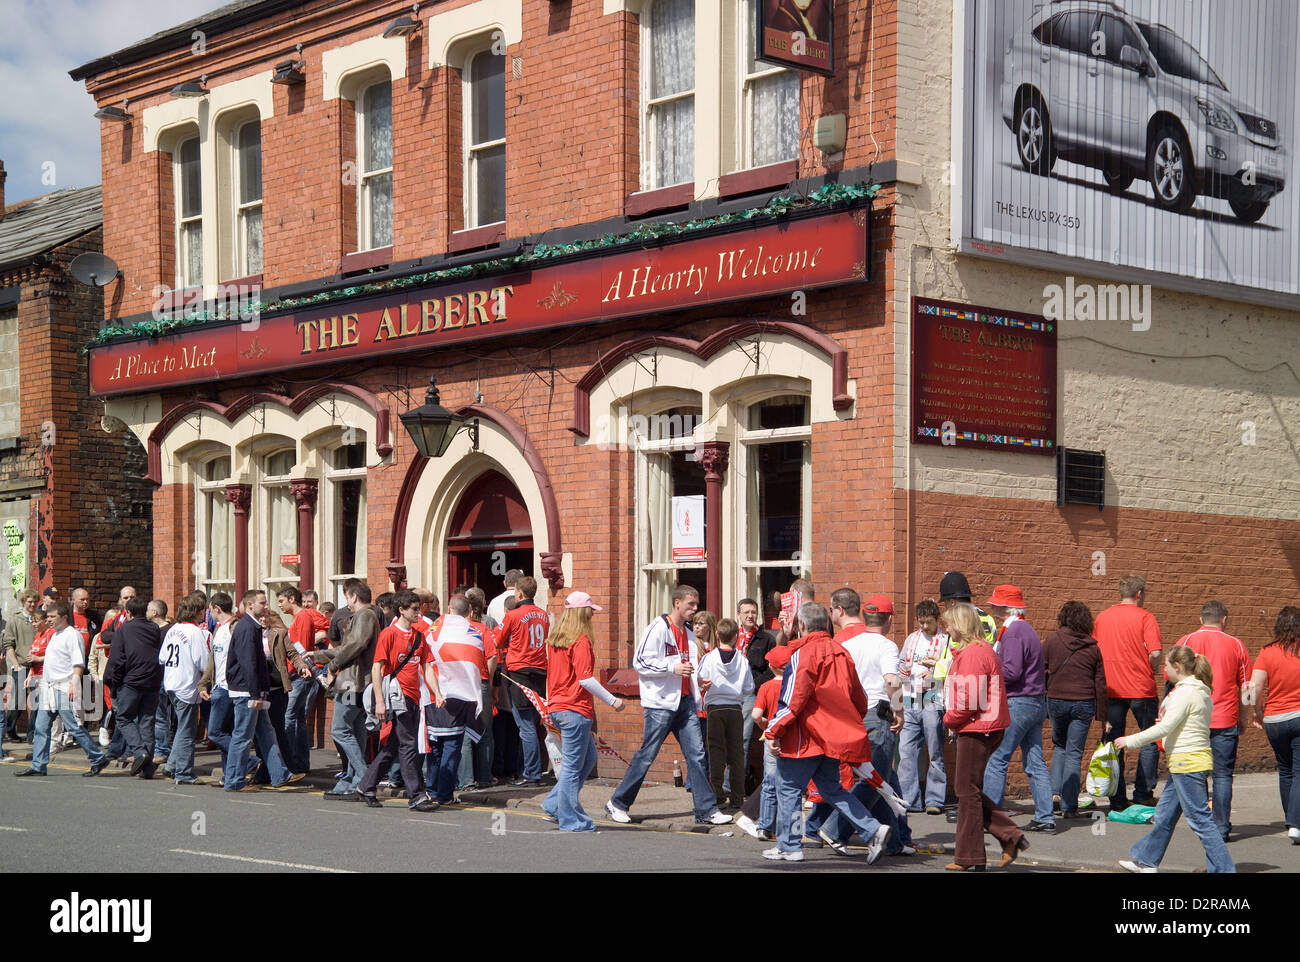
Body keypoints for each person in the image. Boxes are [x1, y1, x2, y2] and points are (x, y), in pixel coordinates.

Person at [762, 601, 891, 863]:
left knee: (787, 788)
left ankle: (790, 846)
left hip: (805, 737)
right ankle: (872, 829)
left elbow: (793, 699)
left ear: (801, 626)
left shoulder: (803, 654)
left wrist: (774, 730)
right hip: (832, 737)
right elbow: (860, 699)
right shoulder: (842, 653)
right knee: (833, 789)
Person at [606, 585, 731, 826]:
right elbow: (640, 662)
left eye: (696, 604)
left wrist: (697, 680)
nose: (695, 610)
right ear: (676, 603)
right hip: (660, 705)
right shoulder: (658, 628)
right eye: (690, 605)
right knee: (647, 756)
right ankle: (617, 803)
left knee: (697, 756)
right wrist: (671, 668)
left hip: (685, 704)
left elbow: (687, 667)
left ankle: (706, 809)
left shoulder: (689, 633)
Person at [1117, 646, 1234, 873]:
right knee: (1165, 815)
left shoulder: (1185, 692)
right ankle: (1146, 861)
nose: (1164, 669)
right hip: (1187, 761)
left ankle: (1223, 869)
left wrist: (1129, 741)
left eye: (1167, 666)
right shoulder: (1199, 691)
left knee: (1200, 820)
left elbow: (1165, 727)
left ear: (1178, 667)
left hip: (1186, 763)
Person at [823, 589, 913, 854]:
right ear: (889, 621)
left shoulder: (848, 645)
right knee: (875, 781)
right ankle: (833, 828)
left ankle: (895, 842)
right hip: (878, 715)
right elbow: (890, 681)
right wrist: (900, 711)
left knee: (881, 781)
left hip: (853, 717)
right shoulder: (887, 646)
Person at [942, 602, 1026, 871]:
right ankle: (1009, 838)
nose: (947, 628)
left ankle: (970, 857)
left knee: (966, 792)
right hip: (981, 726)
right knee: (970, 792)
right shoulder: (975, 651)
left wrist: (948, 719)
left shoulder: (974, 653)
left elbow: (970, 700)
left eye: (949, 623)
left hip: (977, 727)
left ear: (960, 625)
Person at [541, 591, 625, 830]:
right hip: (574, 710)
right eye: (590, 611)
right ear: (583, 613)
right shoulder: (580, 641)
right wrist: (613, 701)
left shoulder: (558, 639)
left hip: (559, 707)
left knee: (587, 759)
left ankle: (553, 804)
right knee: (571, 767)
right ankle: (571, 820)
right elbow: (585, 679)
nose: (593, 616)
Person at [357, 590, 441, 811]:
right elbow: (377, 668)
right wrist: (379, 701)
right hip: (397, 696)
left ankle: (366, 785)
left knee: (394, 745)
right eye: (414, 609)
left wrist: (438, 693)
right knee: (408, 745)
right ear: (401, 610)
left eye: (419, 608)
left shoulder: (419, 636)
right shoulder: (389, 634)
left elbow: (427, 666)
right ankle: (416, 796)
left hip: (414, 697)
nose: (418, 612)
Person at [1175, 601, 1251, 841]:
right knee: (1222, 775)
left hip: (1193, 719)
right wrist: (1244, 717)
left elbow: (1172, 679)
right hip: (1226, 718)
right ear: (1224, 620)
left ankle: (1201, 825)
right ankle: (1220, 828)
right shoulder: (1236, 645)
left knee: (1196, 773)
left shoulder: (1186, 642)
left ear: (1201, 619)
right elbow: (1246, 688)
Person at [981, 584, 1054, 833]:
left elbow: (1010, 671)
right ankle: (1045, 817)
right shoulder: (1025, 629)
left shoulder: (1012, 633)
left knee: (997, 759)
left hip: (1018, 702)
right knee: (1035, 763)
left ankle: (990, 819)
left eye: (995, 604)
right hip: (1034, 702)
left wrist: (987, 675)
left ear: (1004, 607)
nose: (991, 607)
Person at [1094, 574, 1163, 809]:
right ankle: (1143, 793)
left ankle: (1117, 798)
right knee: (1150, 738)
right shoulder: (1146, 617)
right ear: (1140, 594)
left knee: (1115, 742)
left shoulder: (1102, 618)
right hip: (1141, 687)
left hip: (1111, 689)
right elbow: (1155, 654)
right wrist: (1148, 666)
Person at [223, 591, 303, 792]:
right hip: (246, 693)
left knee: (267, 733)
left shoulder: (252, 627)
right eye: (262, 603)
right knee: (242, 737)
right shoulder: (247, 628)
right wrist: (254, 694)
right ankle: (234, 781)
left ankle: (279, 774)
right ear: (250, 605)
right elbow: (248, 664)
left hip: (252, 691)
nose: (266, 606)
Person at [17, 602, 109, 778]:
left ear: (64, 617)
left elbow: (78, 662)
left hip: (64, 687)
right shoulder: (55, 635)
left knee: (73, 727)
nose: (49, 620)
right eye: (48, 617)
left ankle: (97, 758)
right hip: (49, 687)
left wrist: (74, 682)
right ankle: (38, 765)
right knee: (41, 727)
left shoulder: (72, 635)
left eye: (52, 617)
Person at [1042, 601, 1109, 818]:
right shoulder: (1092, 647)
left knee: (1059, 747)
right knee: (1074, 753)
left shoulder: (1052, 641)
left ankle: (1053, 795)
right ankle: (1069, 806)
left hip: (1056, 700)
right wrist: (1103, 716)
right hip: (1083, 702)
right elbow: (1100, 682)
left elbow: (1041, 670)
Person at [314, 579, 380, 799]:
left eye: (347, 598)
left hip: (353, 682)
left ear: (353, 596)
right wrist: (317, 655)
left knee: (339, 730)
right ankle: (351, 780)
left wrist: (333, 665)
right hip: (358, 682)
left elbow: (356, 644)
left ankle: (362, 777)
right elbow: (347, 647)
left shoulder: (365, 615)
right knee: (356, 731)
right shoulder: (365, 616)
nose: (347, 603)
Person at [419, 595, 487, 805]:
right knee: (451, 747)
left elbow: (422, 662)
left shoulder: (430, 632)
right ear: (469, 612)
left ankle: (431, 789)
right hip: (459, 696)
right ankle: (445, 794)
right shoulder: (473, 633)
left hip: (433, 694)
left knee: (435, 747)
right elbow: (477, 665)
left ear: (448, 609)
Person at [1246, 606, 1300, 845]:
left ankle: (1290, 820)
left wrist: (1257, 711)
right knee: (1299, 771)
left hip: (1274, 719)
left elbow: (1253, 688)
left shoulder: (1267, 652)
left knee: (1285, 770)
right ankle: (1296, 824)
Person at [734, 645, 792, 840]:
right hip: (791, 739)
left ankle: (764, 826)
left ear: (770, 665)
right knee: (789, 785)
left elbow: (756, 714)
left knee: (769, 782)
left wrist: (764, 724)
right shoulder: (795, 685)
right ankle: (785, 828)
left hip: (771, 738)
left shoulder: (766, 687)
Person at [497, 575, 550, 787]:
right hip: (539, 671)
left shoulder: (513, 615)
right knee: (532, 723)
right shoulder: (544, 615)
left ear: (519, 593)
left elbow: (498, 640)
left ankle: (531, 773)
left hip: (519, 671)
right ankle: (529, 769)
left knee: (525, 725)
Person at [103, 598, 164, 778]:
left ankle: (139, 753)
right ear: (145, 611)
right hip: (152, 681)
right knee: (147, 721)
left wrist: (111, 681)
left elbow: (116, 660)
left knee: (123, 718)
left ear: (128, 613)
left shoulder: (123, 630)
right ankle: (147, 768)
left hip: (131, 682)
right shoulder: (154, 629)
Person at [897, 599, 948, 814]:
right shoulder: (912, 639)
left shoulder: (945, 641)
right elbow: (901, 663)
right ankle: (909, 799)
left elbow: (952, 668)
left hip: (932, 696)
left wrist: (935, 669)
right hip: (910, 696)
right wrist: (903, 671)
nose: (924, 627)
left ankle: (935, 800)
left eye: (928, 623)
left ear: (937, 620)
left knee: (935, 749)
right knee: (906, 750)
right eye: (921, 622)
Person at [699, 617, 754, 810]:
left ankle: (717, 794)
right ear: (736, 637)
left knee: (716, 752)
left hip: (714, 707)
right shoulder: (742, 660)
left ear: (716, 634)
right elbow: (749, 688)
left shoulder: (709, 658)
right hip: (735, 708)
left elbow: (700, 680)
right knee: (737, 754)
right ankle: (737, 797)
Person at [159, 594, 212, 785]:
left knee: (182, 727)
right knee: (186, 731)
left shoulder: (174, 629)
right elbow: (203, 662)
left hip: (171, 682)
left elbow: (163, 657)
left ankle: (172, 766)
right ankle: (183, 772)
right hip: (186, 685)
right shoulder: (194, 632)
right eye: (203, 610)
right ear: (197, 611)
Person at [276, 586, 322, 774]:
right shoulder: (298, 618)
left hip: (298, 676)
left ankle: (289, 762)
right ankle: (301, 762)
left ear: (291, 599)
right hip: (298, 675)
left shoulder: (302, 617)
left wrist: (295, 670)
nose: (279, 605)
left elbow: (300, 649)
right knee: (299, 720)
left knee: (289, 718)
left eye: (281, 601)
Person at [457, 587, 498, 789]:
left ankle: (465, 781)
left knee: (464, 733)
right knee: (484, 731)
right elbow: (492, 657)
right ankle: (484, 777)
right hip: (479, 684)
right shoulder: (483, 630)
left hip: (459, 685)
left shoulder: (454, 630)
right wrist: (488, 681)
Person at [198, 593, 242, 779]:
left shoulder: (235, 627)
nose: (209, 614)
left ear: (217, 608)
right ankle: (229, 774)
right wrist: (203, 684)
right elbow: (213, 662)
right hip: (219, 687)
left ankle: (247, 760)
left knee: (215, 733)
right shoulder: (218, 630)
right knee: (224, 732)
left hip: (229, 688)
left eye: (210, 610)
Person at [737, 596, 778, 787]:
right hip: (729, 694)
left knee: (742, 738)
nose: (750, 616)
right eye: (746, 612)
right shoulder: (732, 637)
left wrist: (754, 685)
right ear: (739, 615)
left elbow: (772, 668)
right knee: (725, 739)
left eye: (753, 612)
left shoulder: (766, 639)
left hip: (750, 694)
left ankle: (736, 785)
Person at [1, 588, 40, 752]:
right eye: (29, 601)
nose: (32, 604)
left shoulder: (39, 619)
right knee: (18, 701)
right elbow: (8, 644)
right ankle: (10, 729)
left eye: (34, 602)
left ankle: (32, 734)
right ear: (23, 602)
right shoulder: (14, 620)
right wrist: (16, 664)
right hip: (21, 665)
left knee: (36, 701)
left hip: (38, 666)